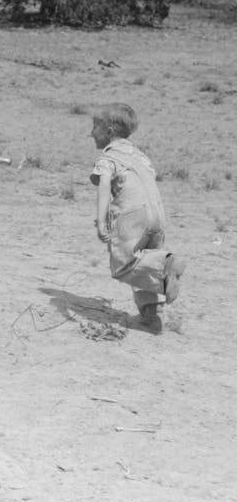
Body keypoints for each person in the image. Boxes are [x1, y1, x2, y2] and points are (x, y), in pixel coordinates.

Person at [90, 103, 185, 333]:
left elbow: (103, 186)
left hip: (132, 215)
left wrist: (101, 221)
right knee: (145, 260)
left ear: (110, 131)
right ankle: (151, 317)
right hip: (157, 214)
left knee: (125, 264)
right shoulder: (140, 155)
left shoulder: (109, 157)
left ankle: (165, 265)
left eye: (95, 127)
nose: (90, 132)